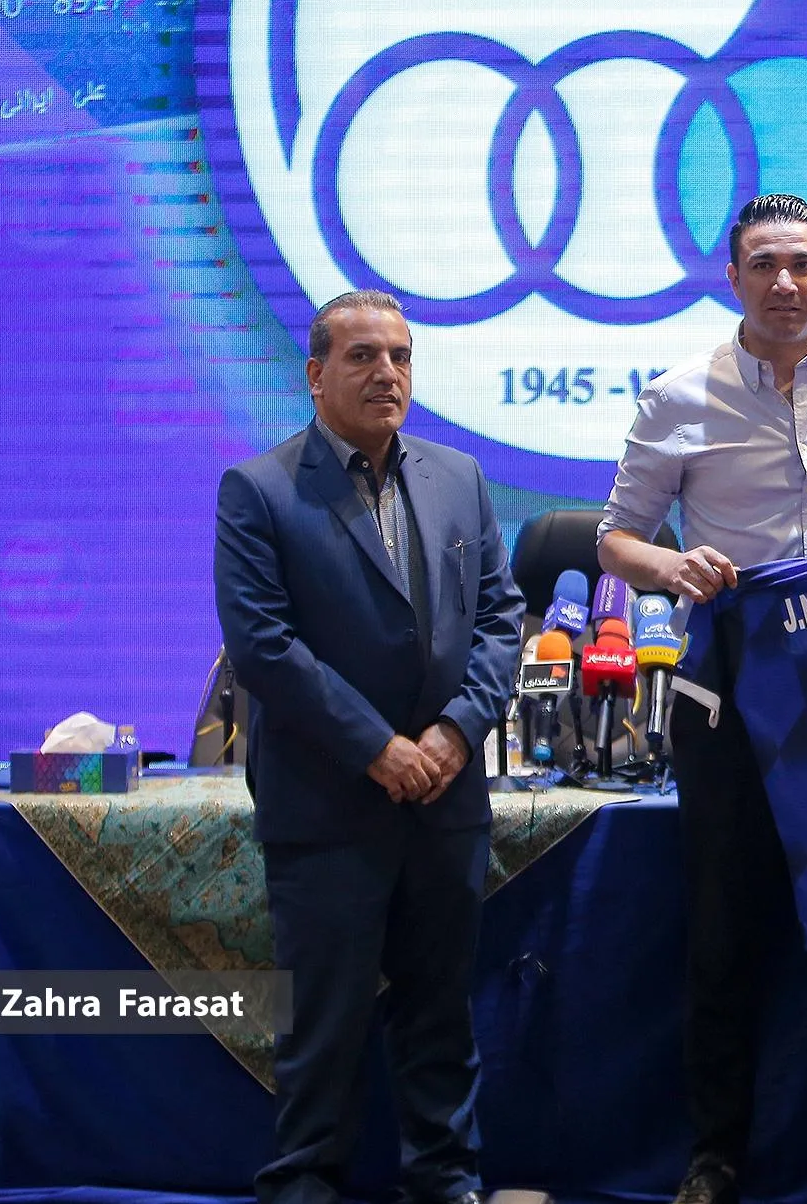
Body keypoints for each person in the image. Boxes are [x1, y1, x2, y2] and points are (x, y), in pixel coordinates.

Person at [598, 194, 807, 1204]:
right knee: (723, 932)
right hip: (729, 692)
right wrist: (672, 565)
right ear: (732, 278)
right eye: (762, 265)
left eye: (801, 264)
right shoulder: (677, 396)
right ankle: (715, 1157)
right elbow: (616, 537)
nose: (784, 283)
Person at [215, 290, 524, 1204]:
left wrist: (456, 731)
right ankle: (305, 1183)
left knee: (440, 1018)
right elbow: (264, 646)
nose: (387, 373)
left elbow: (501, 617)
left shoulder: (459, 476)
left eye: (400, 356)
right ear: (316, 375)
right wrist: (379, 748)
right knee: (322, 1028)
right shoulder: (259, 489)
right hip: (328, 806)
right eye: (362, 356)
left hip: (445, 803)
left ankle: (447, 1181)